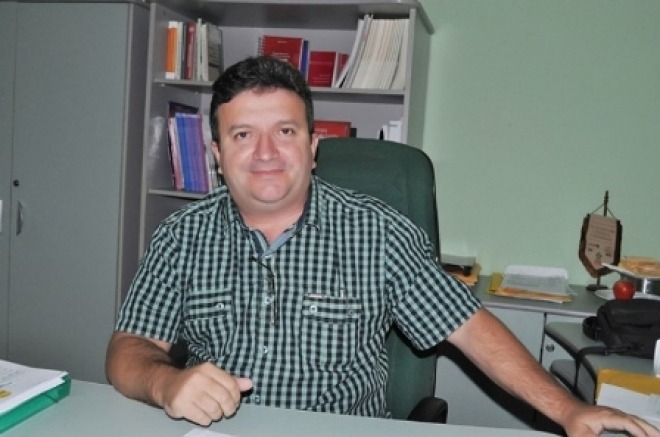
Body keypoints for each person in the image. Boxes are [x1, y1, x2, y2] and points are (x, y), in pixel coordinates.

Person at [106, 56, 659, 436]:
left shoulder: (377, 233)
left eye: (286, 131)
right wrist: (167, 383)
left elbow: (470, 328)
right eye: (243, 134)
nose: (266, 153)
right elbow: (128, 349)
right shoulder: (181, 236)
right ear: (218, 154)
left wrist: (568, 410)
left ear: (314, 146)